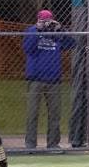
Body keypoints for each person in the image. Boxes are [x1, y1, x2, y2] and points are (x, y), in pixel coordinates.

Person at [23, 9, 74, 150]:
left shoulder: (55, 32)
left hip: (54, 79)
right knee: (32, 114)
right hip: (35, 79)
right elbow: (28, 48)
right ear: (38, 20)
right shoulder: (31, 31)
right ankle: (30, 145)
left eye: (48, 21)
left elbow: (71, 44)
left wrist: (60, 30)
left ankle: (53, 144)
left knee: (55, 115)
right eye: (43, 21)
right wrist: (37, 30)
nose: (46, 23)